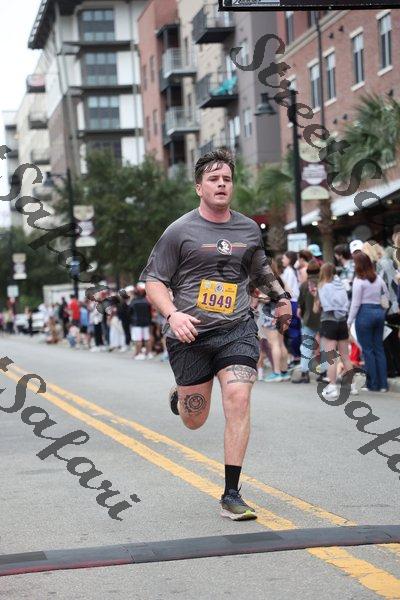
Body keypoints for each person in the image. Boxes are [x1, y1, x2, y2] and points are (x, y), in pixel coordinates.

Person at [140, 149, 292, 521]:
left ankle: (231, 493)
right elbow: (154, 281)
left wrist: (282, 298)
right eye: (213, 179)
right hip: (189, 336)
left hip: (236, 328)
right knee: (194, 419)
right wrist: (173, 314)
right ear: (199, 187)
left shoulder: (247, 229)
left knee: (238, 398)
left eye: (226, 179)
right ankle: (182, 395)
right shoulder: (179, 231)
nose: (221, 184)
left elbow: (260, 270)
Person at [313, 263, 359, 400]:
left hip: (329, 322)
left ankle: (332, 387)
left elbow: (316, 308)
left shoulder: (322, 286)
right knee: (345, 356)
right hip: (342, 322)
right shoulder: (341, 286)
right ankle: (352, 385)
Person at [348, 252, 389, 392]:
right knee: (379, 349)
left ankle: (373, 384)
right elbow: (386, 295)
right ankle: (383, 384)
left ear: (358, 265)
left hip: (364, 314)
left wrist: (349, 321)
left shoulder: (358, 281)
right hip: (379, 313)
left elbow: (355, 304)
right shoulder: (378, 278)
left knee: (367, 350)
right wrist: (381, 310)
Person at [293, 260, 324, 384]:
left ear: (308, 271)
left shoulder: (304, 285)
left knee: (306, 346)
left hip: (308, 319)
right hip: (323, 319)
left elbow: (300, 304)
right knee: (323, 346)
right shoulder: (323, 283)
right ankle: (323, 373)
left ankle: (305, 373)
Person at [377, 246, 400, 378]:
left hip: (390, 307)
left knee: (389, 340)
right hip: (395, 306)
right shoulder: (393, 265)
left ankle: (392, 369)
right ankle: (396, 367)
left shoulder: (383, 264)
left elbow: (386, 287)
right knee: (394, 340)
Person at [282, 251, 301, 368]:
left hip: (291, 302)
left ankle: (296, 356)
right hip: (295, 301)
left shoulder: (289, 271)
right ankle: (297, 355)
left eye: (284, 258)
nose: (282, 260)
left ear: (289, 259)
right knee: (296, 329)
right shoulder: (294, 270)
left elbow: (287, 289)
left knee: (293, 330)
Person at [129, 284, 154, 359]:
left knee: (138, 339)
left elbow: (129, 311)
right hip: (146, 322)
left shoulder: (134, 301)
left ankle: (138, 354)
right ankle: (149, 353)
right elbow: (150, 312)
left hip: (136, 323)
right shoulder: (147, 301)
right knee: (147, 338)